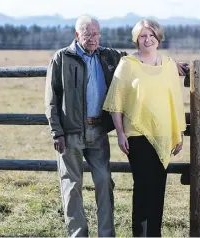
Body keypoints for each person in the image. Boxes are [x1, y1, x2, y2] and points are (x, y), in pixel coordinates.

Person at [102, 18, 187, 237]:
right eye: (142, 36)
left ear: (158, 38)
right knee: (142, 187)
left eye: (151, 35)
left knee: (159, 188)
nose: (147, 40)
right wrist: (120, 133)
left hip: (164, 135)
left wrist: (178, 133)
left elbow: (175, 100)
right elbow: (116, 102)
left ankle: (154, 234)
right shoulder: (128, 64)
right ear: (136, 40)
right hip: (136, 135)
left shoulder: (169, 64)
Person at [44, 15, 126, 237]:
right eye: (87, 34)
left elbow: (139, 61)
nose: (93, 38)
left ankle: (106, 234)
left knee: (104, 182)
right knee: (71, 187)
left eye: (96, 33)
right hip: (70, 135)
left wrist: (169, 64)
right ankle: (78, 234)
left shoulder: (109, 56)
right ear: (76, 35)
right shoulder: (61, 58)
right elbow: (51, 99)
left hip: (98, 131)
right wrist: (56, 132)